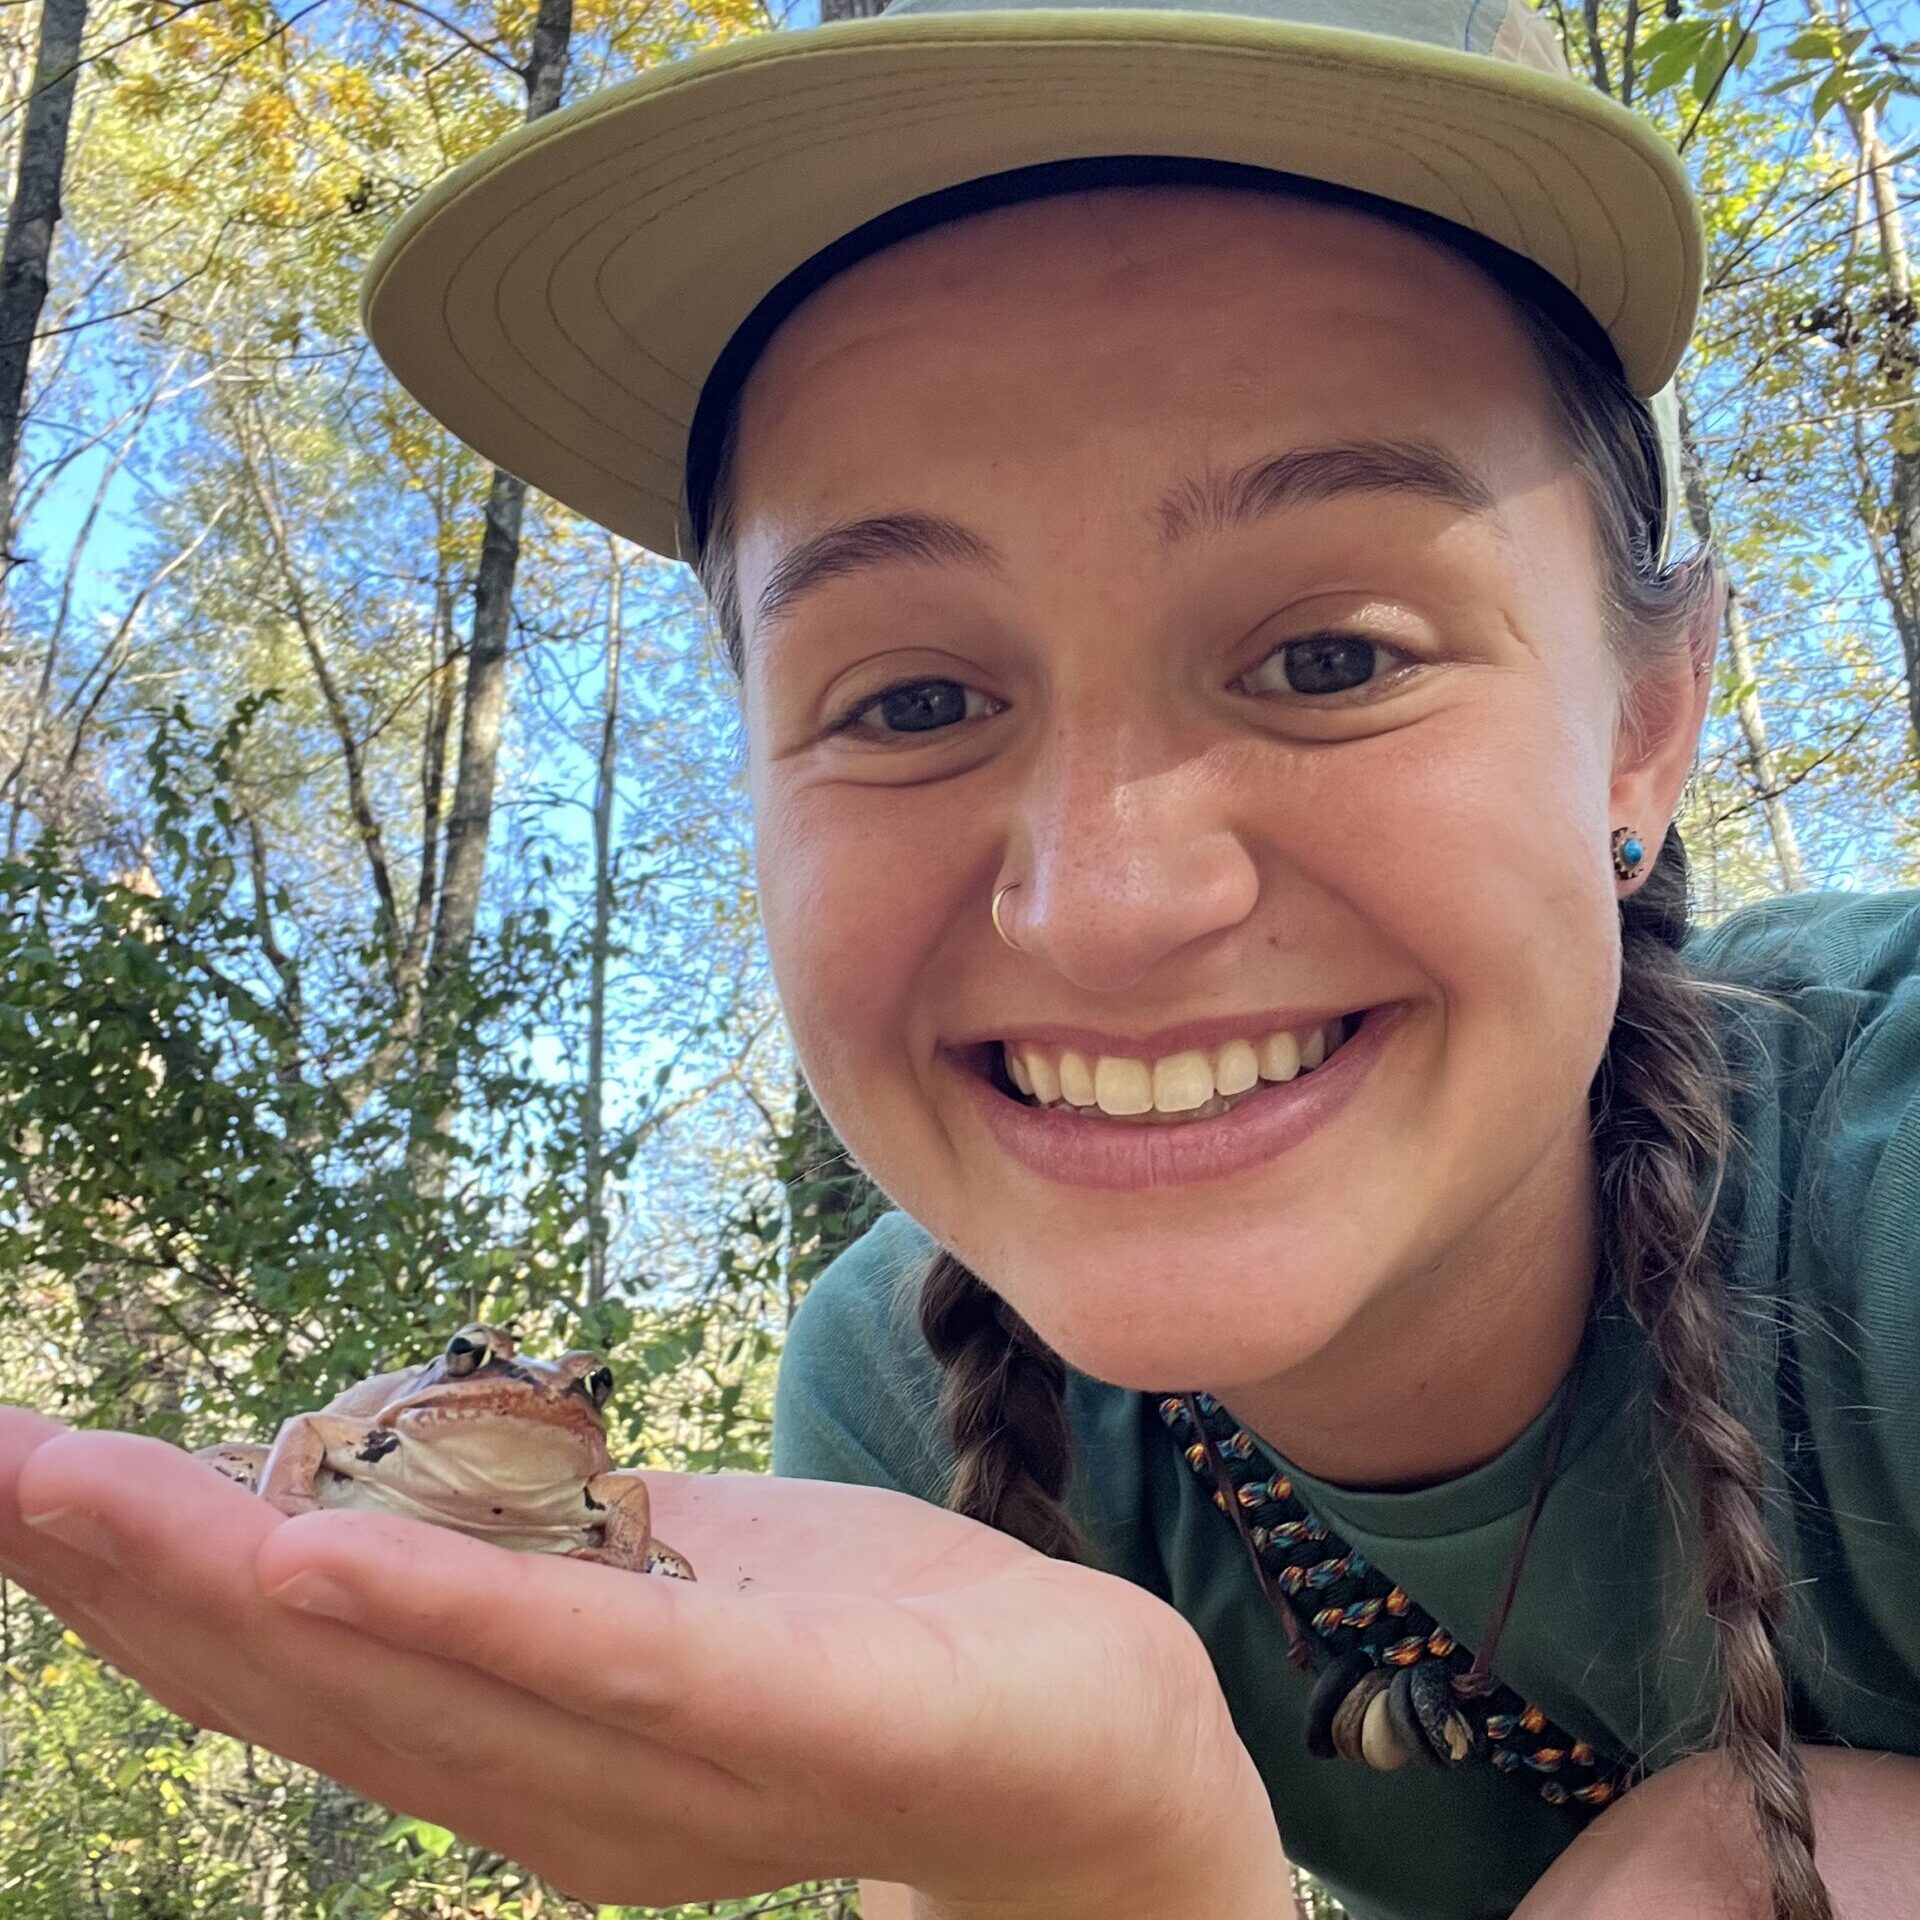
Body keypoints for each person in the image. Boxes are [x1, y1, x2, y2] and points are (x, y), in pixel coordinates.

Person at [0, 0, 1915, 1917]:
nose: (1105, 902)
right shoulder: (910, 1395)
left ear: (1648, 721)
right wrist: (1119, 1862)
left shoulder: (1882, 1201)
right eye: (913, 696)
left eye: (1334, 657)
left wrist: (1759, 1860)